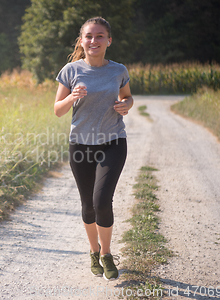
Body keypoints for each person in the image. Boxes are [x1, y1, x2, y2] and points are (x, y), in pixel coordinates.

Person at [53, 17, 133, 281]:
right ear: (82, 41)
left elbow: (127, 96)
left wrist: (127, 105)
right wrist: (71, 97)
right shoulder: (70, 70)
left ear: (109, 41)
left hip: (113, 142)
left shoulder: (118, 70)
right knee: (88, 205)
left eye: (100, 36)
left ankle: (107, 254)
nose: (93, 41)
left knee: (101, 201)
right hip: (81, 145)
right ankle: (93, 250)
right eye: (89, 36)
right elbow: (57, 110)